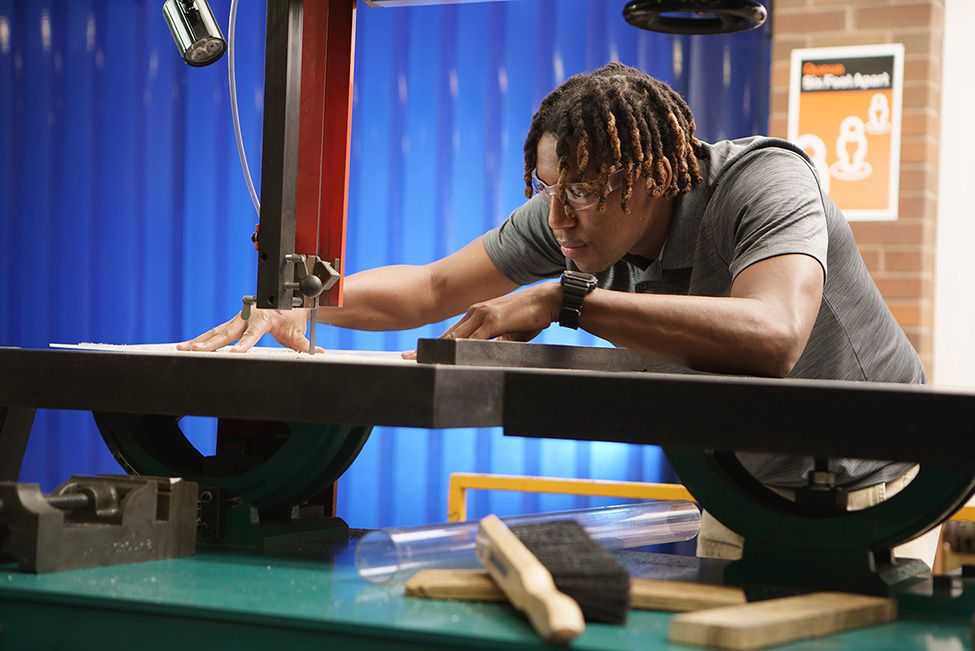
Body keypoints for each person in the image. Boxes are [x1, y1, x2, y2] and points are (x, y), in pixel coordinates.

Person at [179, 62, 937, 565]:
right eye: (547, 188)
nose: (559, 215)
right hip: (738, 488)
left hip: (874, 491)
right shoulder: (565, 216)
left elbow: (772, 337)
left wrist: (566, 299)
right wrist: (294, 298)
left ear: (654, 174)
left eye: (579, 189)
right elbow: (429, 289)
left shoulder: (766, 184)